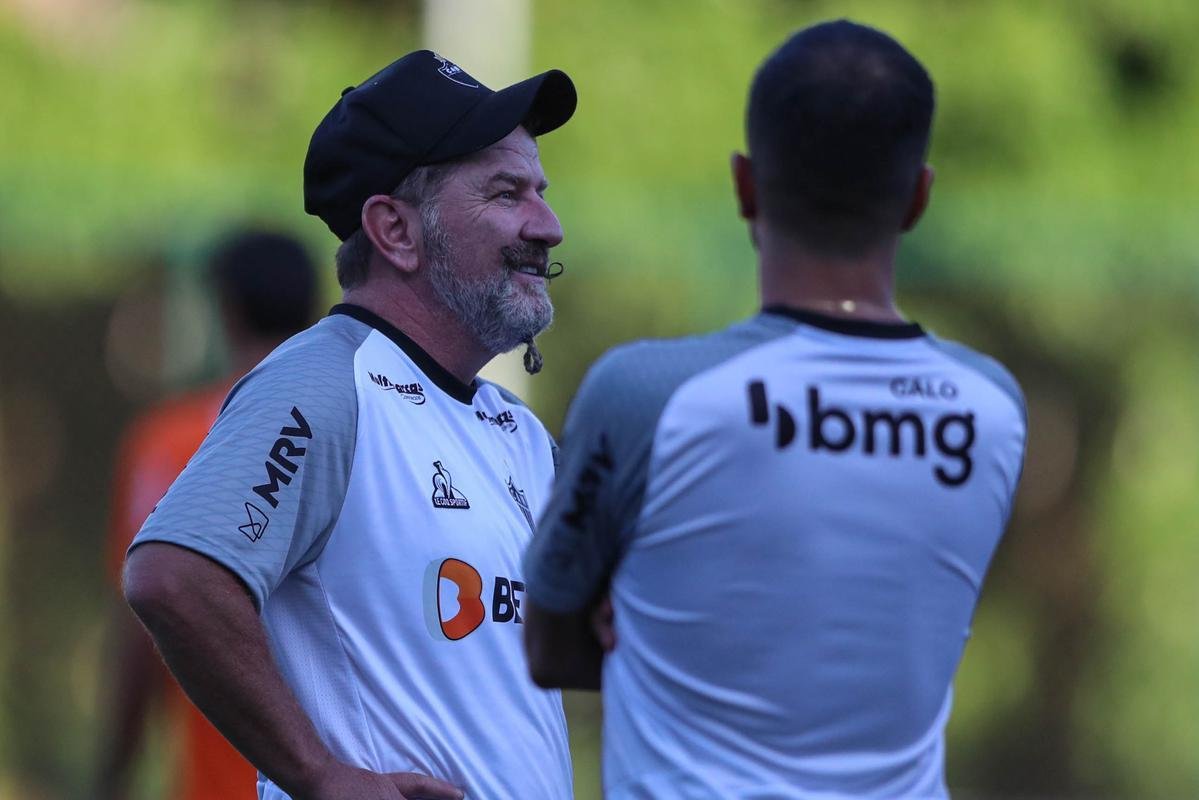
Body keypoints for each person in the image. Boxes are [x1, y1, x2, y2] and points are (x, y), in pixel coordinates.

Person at [523, 20, 1027, 799]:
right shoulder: (991, 406)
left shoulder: (647, 393)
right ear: (918, 197)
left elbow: (549, 645)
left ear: (744, 185)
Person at [121, 51, 577, 800]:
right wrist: (319, 773)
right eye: (506, 193)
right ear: (395, 231)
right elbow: (174, 576)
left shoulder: (512, 428)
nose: (549, 225)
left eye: (540, 192)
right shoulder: (330, 382)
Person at [98, 228, 317, 800]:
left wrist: (111, 775)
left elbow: (139, 627)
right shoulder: (362, 431)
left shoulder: (169, 442)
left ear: (226, 310)